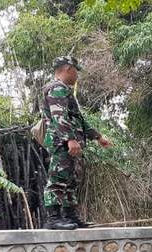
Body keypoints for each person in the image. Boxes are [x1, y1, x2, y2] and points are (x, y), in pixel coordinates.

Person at [40, 56, 112, 230]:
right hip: (61, 143)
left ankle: (70, 216)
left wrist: (98, 137)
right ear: (68, 69)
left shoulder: (65, 89)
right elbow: (59, 117)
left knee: (71, 180)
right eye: (75, 71)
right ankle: (53, 218)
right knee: (58, 178)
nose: (77, 75)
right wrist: (70, 140)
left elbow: (78, 119)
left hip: (71, 144)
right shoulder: (56, 88)